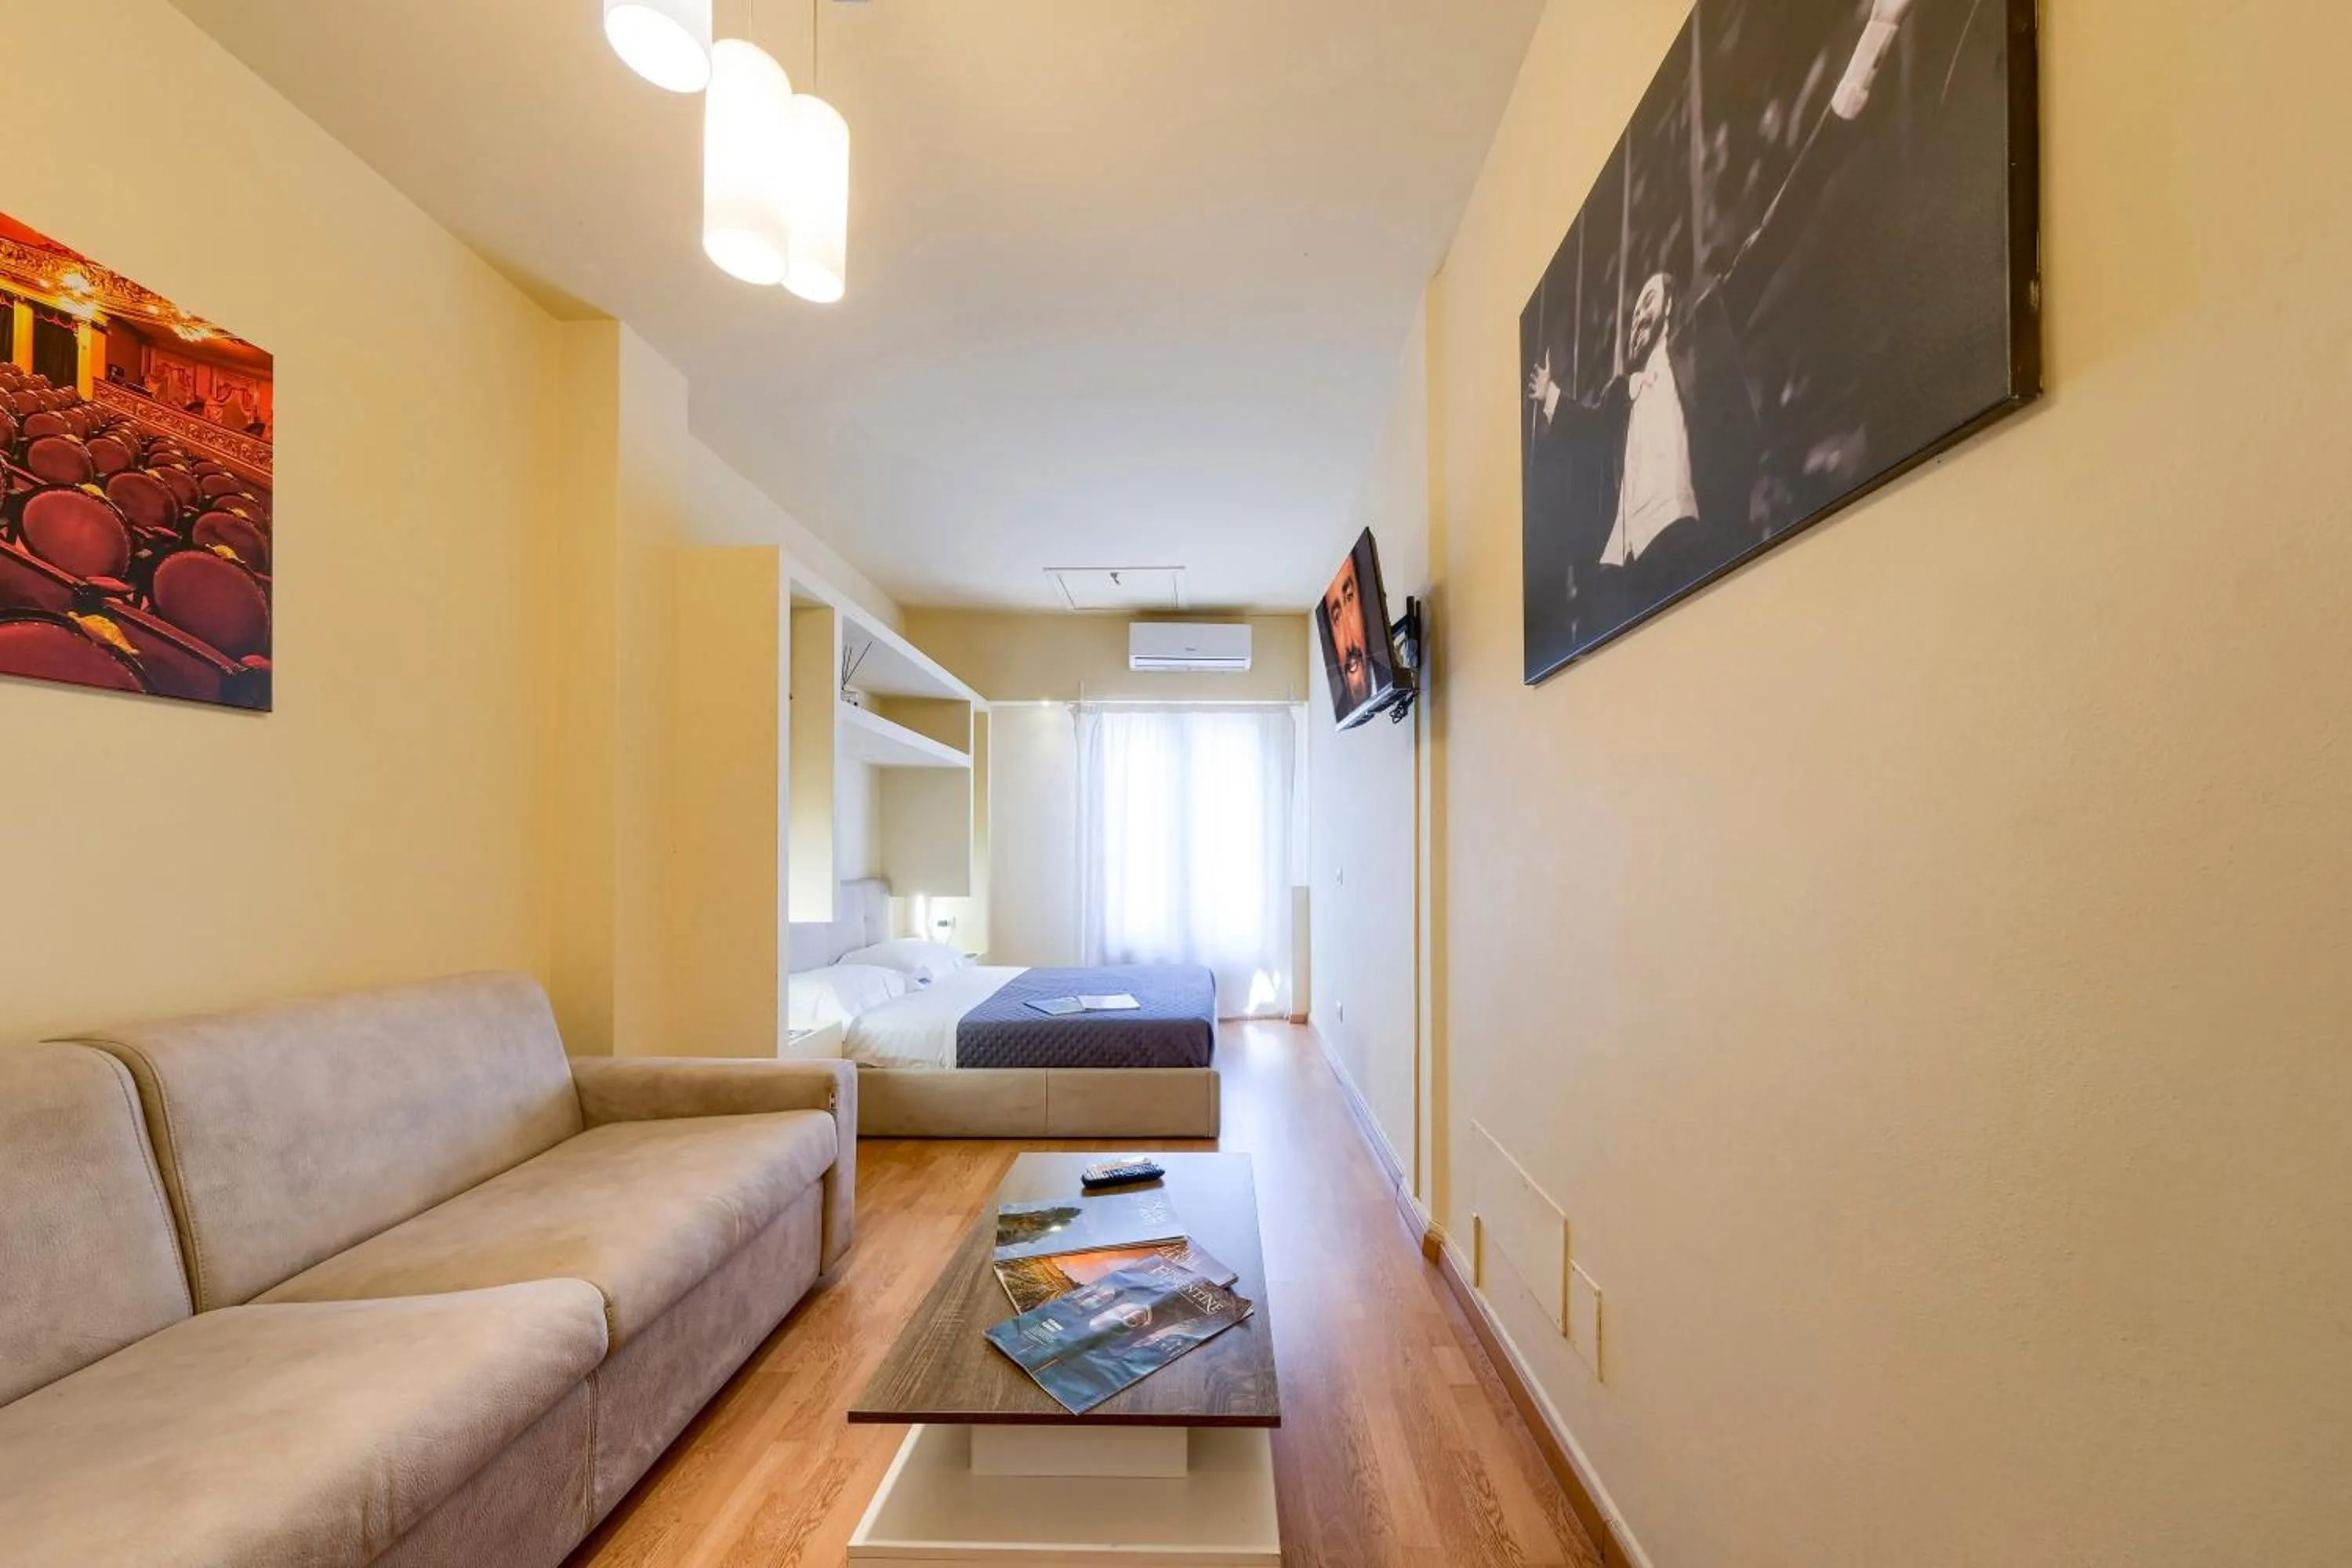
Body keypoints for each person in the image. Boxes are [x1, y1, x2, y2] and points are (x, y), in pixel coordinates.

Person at [1323, 550, 1374, 711]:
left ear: (1362, 604)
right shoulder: (1339, 711)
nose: (1349, 643)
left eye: (1350, 597)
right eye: (1336, 617)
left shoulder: (1389, 679)